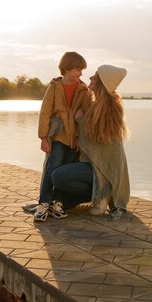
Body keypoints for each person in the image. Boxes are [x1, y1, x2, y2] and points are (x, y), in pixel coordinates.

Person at [50, 64, 130, 220]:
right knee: (62, 198)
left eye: (95, 76)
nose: (90, 78)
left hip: (106, 168)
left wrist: (80, 120)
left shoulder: (111, 105)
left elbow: (99, 137)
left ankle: (104, 192)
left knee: (58, 176)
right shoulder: (96, 102)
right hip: (93, 164)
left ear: (102, 82)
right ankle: (95, 194)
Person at [34, 51, 93, 222]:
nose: (81, 74)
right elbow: (44, 113)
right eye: (78, 69)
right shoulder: (54, 87)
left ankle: (57, 202)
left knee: (64, 169)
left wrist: (80, 138)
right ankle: (43, 202)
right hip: (58, 137)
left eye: (81, 70)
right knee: (52, 168)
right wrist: (43, 138)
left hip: (74, 139)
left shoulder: (83, 90)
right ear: (66, 68)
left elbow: (86, 116)